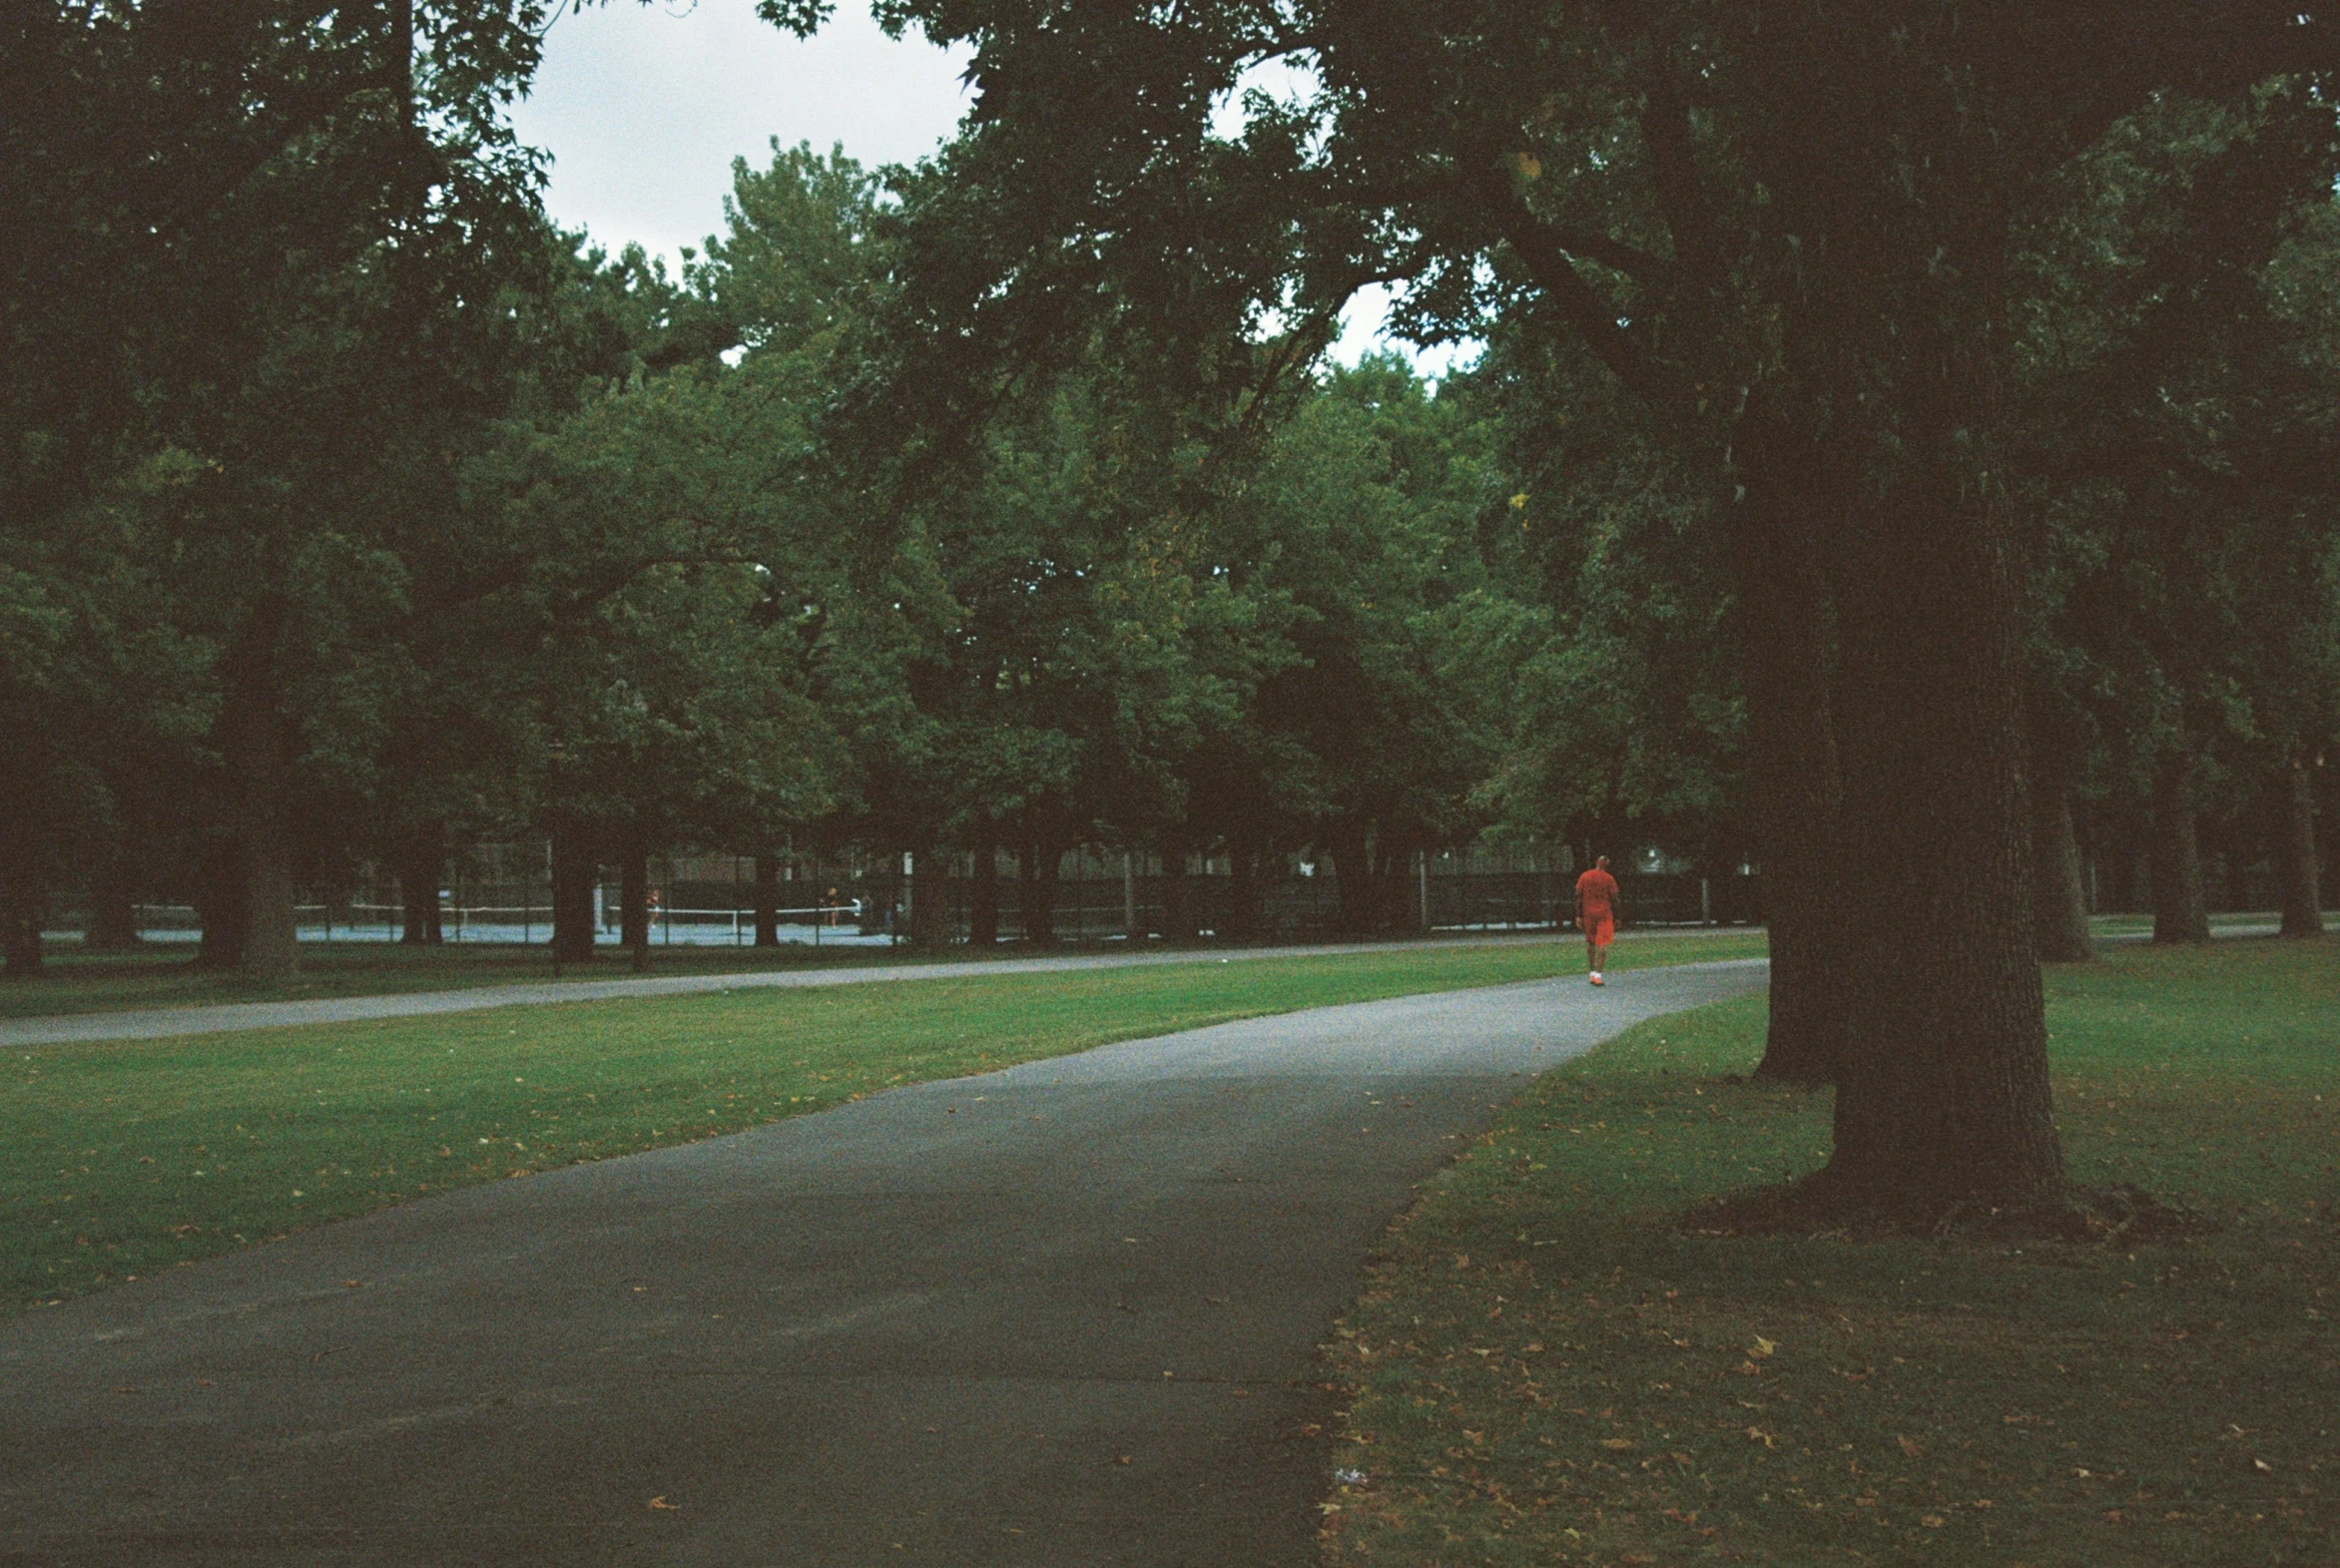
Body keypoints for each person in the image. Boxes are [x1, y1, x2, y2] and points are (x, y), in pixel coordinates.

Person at [1574, 854, 1619, 985]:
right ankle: (1598, 975)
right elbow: (1615, 898)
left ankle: (1592, 972)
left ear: (1596, 862)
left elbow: (1578, 895)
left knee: (1590, 942)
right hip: (1604, 914)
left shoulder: (1585, 876)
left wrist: (1578, 915)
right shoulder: (1609, 879)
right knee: (1602, 944)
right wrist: (1617, 917)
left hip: (1588, 913)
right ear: (1607, 865)